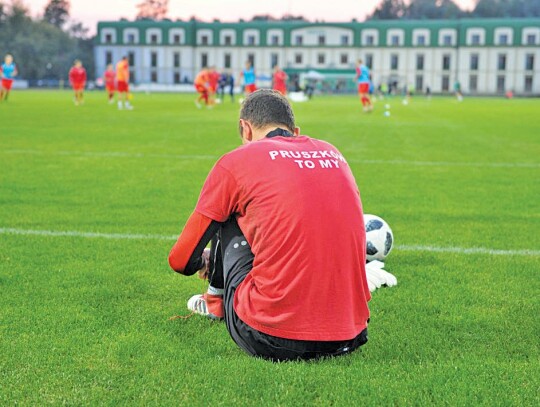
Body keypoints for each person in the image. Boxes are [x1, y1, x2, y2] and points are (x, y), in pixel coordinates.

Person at [168, 89, 371, 362]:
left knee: (227, 210)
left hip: (270, 336)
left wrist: (204, 263)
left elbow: (180, 260)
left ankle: (214, 303)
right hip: (350, 333)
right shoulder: (333, 153)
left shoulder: (237, 161)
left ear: (245, 129)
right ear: (295, 131)